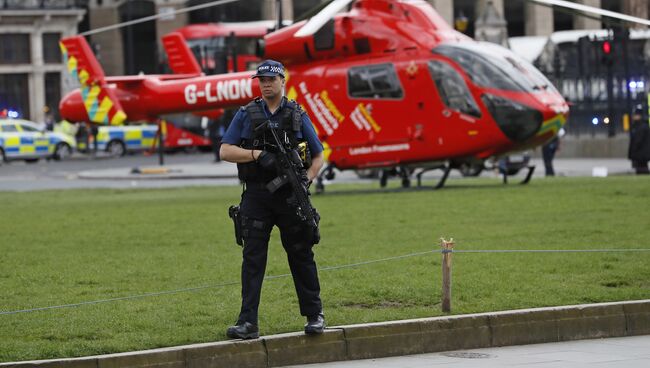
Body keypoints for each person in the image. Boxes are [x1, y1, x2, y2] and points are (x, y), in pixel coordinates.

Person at [220, 60, 326, 339]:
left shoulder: (297, 114)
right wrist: (256, 155)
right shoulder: (246, 113)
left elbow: (318, 155)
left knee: (301, 255)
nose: (266, 84)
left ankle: (315, 316)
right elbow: (226, 151)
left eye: (271, 79)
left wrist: (306, 181)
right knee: (253, 258)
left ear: (283, 81)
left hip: (291, 197)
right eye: (261, 80)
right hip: (257, 196)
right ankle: (248, 323)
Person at [628, 104, 650, 174]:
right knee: (641, 168)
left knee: (641, 169)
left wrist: (633, 152)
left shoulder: (640, 127)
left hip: (640, 154)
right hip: (641, 154)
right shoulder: (640, 126)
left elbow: (637, 141)